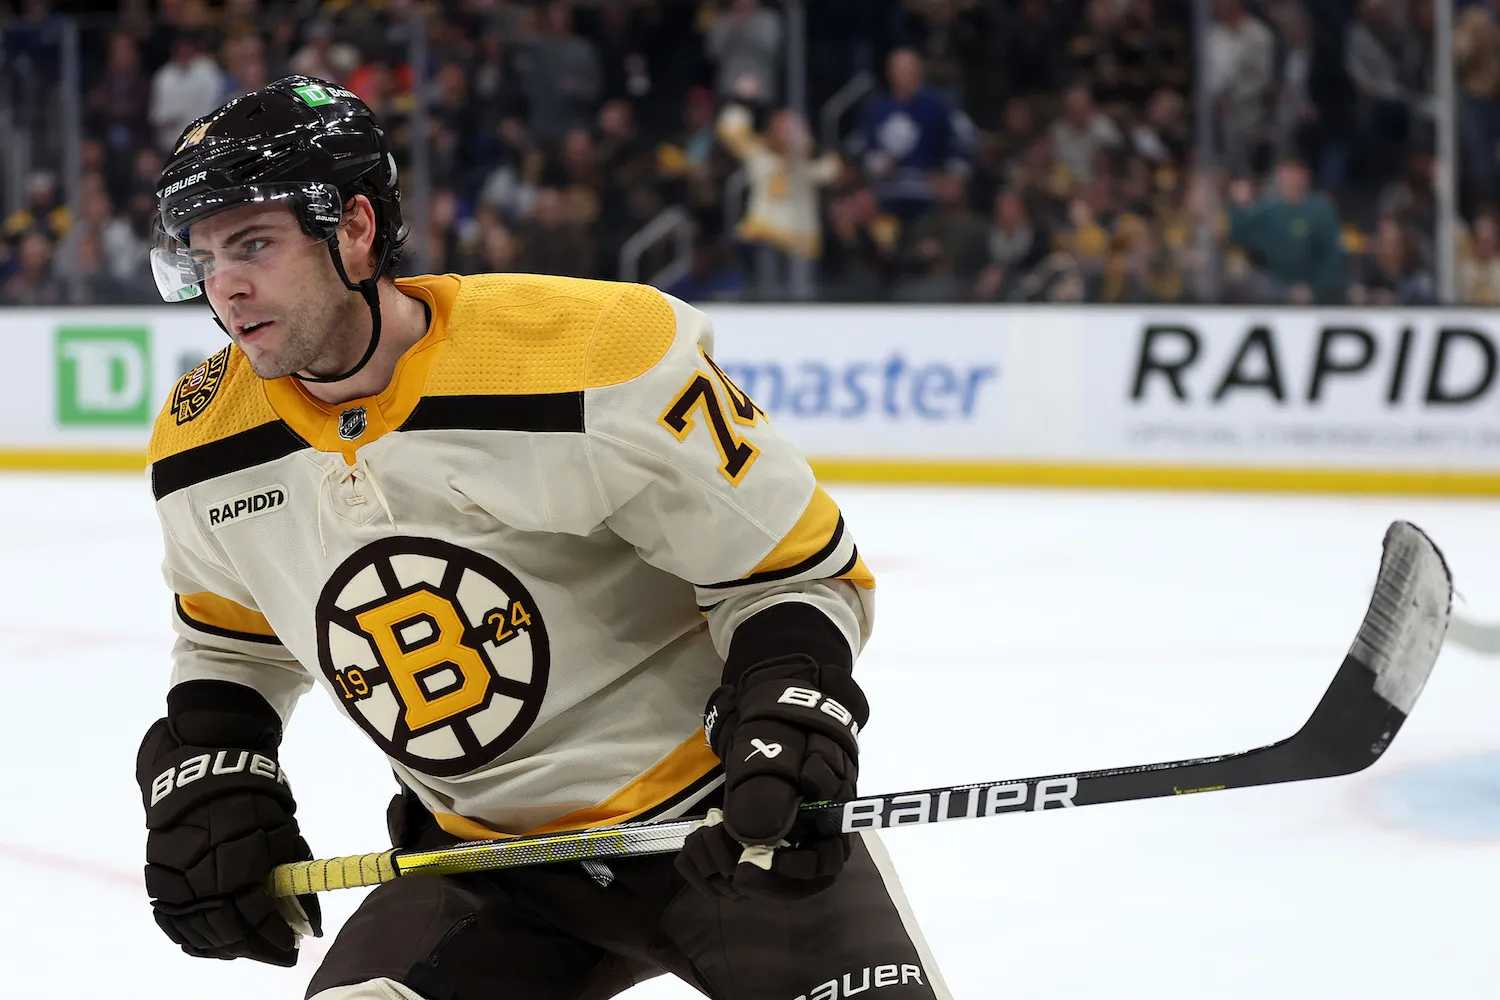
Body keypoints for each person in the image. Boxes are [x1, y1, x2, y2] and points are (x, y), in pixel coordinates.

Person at [135, 76, 948, 1000]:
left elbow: (785, 571)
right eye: (202, 257)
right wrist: (215, 766)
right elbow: (226, 638)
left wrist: (793, 708)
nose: (225, 286)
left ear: (354, 228)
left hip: (725, 829)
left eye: (253, 244)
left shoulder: (589, 358)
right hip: (479, 871)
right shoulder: (205, 441)